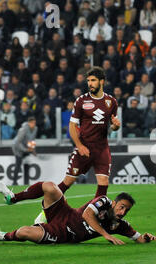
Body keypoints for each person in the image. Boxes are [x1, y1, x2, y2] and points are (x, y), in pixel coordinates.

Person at [30, 67, 120, 222]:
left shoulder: (111, 102)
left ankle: (94, 214)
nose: (90, 84)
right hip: (83, 148)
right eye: (88, 81)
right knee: (68, 182)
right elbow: (72, 126)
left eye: (93, 80)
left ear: (102, 82)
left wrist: (116, 127)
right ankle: (45, 213)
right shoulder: (81, 100)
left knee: (103, 182)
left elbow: (111, 127)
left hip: (102, 149)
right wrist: (79, 145)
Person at [0, 182, 156, 245]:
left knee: (24, 232)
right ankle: (13, 198)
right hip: (66, 213)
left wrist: (147, 238)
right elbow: (86, 215)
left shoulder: (119, 226)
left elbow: (138, 238)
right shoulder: (104, 201)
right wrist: (105, 235)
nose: (122, 212)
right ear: (114, 203)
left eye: (126, 210)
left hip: (63, 234)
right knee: (49, 186)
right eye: (121, 207)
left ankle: (5, 236)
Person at [11, 116, 37, 186]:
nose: (33, 124)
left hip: (26, 147)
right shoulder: (23, 130)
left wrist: (32, 149)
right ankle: (14, 182)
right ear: (28, 123)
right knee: (18, 164)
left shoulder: (35, 129)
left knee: (27, 163)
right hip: (17, 148)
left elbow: (32, 139)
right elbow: (18, 142)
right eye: (32, 123)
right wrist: (26, 150)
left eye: (34, 123)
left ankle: (26, 182)